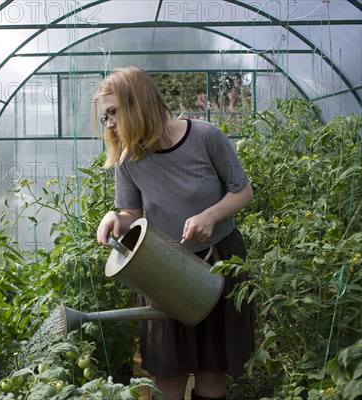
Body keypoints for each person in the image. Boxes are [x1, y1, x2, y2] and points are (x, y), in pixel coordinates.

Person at [95, 67, 255, 400]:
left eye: (113, 112)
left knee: (212, 373)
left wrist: (210, 216)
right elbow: (132, 215)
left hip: (218, 261)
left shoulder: (205, 137)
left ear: (138, 103)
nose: (109, 123)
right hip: (160, 268)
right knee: (169, 376)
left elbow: (243, 191)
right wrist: (115, 218)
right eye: (104, 117)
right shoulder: (129, 160)